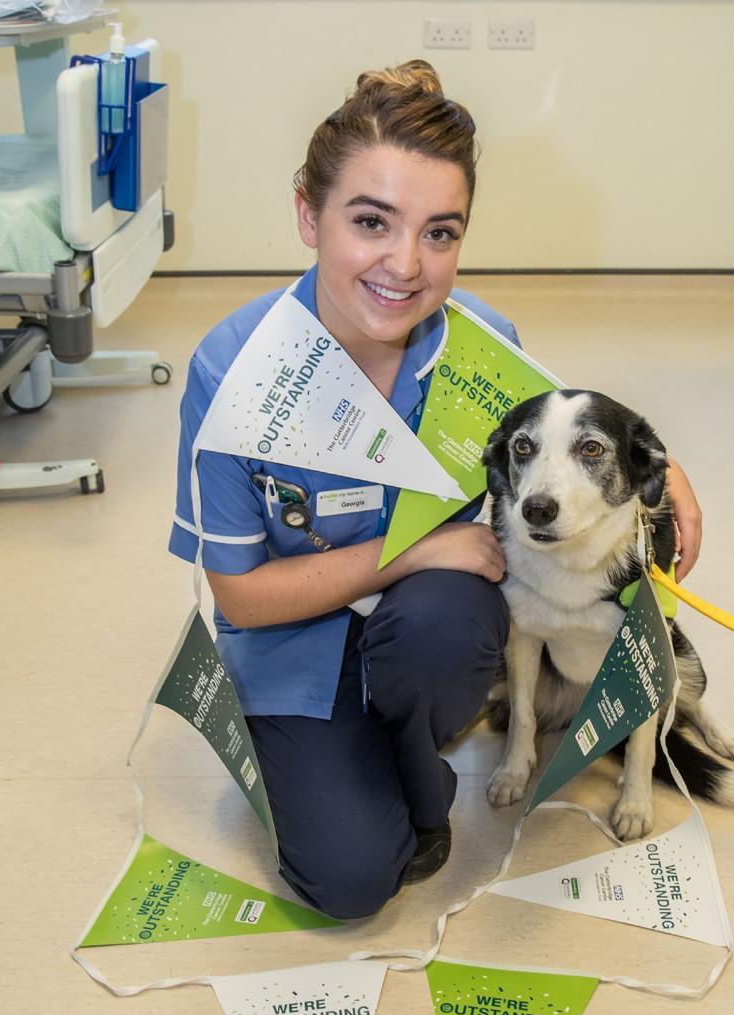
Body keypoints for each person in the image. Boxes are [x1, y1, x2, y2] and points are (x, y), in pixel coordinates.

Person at [169, 59, 703, 920]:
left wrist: (667, 470)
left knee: (451, 621)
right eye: (371, 221)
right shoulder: (233, 370)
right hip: (290, 644)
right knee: (348, 882)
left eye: (440, 232)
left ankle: (413, 760)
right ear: (308, 215)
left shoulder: (481, 342)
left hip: (425, 632)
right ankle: (337, 758)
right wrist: (413, 552)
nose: (405, 265)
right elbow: (239, 593)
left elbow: (571, 438)